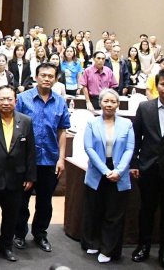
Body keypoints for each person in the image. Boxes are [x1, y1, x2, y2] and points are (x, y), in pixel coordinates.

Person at [13, 62, 70, 253]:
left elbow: (62, 131)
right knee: (21, 200)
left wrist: (61, 158)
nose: (47, 79)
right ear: (36, 77)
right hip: (25, 161)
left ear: (56, 79)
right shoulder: (22, 99)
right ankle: (19, 234)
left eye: (50, 76)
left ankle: (40, 234)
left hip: (50, 159)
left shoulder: (60, 102)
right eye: (43, 75)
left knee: (45, 202)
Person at [0, 85, 36, 262]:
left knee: (11, 216)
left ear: (16, 101)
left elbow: (30, 152)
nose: (6, 102)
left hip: (16, 178)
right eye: (2, 99)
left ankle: (6, 246)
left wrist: (30, 176)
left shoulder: (25, 121)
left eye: (10, 99)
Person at [81, 88, 134, 263]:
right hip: (98, 170)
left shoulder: (127, 124)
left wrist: (118, 171)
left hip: (119, 171)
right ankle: (93, 242)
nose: (109, 105)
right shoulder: (92, 123)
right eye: (106, 101)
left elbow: (129, 149)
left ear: (118, 104)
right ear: (100, 103)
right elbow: (88, 148)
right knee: (95, 209)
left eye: (113, 102)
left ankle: (109, 249)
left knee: (114, 213)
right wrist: (105, 170)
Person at [130, 72, 164, 265]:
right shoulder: (145, 108)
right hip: (148, 167)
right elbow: (135, 138)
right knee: (147, 210)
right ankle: (143, 247)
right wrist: (134, 164)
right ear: (156, 85)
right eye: (163, 84)